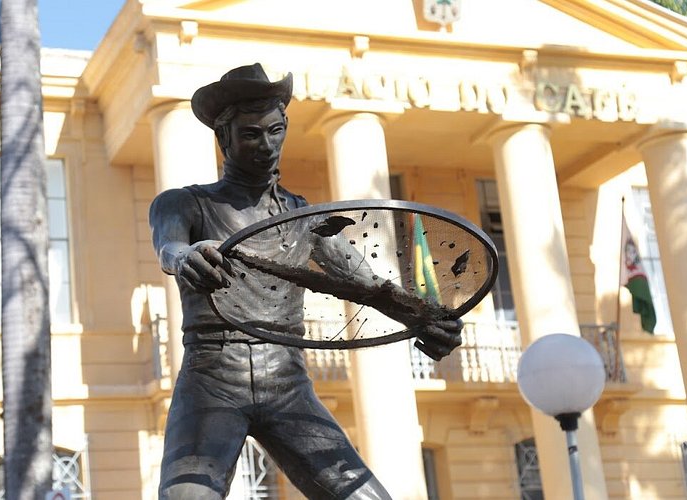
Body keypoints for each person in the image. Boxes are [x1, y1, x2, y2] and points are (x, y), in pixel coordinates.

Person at [149, 63, 463, 500]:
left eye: (275, 131)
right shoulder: (184, 203)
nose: (266, 145)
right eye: (251, 134)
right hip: (212, 378)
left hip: (287, 383)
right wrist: (186, 258)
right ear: (224, 139)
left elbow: (366, 284)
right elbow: (168, 248)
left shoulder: (304, 218)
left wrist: (425, 318)